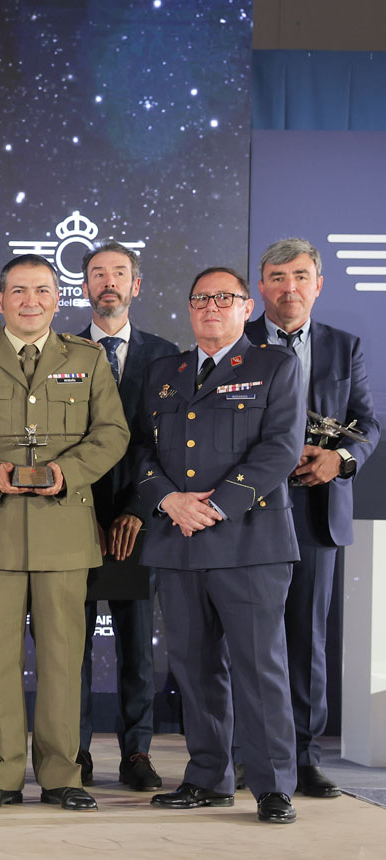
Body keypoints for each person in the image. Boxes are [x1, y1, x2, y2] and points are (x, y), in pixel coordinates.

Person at [0, 254, 127, 810]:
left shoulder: (86, 359)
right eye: (18, 291)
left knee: (64, 657)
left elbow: (113, 432)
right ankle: (3, 773)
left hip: (63, 531)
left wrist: (69, 472)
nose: (30, 301)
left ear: (57, 299)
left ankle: (63, 774)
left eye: (42, 290)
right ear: (0, 300)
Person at [138, 267, 305, 823]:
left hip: (249, 541)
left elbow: (281, 448)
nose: (211, 306)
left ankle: (273, 784)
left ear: (244, 306)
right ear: (189, 308)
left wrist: (214, 505)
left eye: (224, 298)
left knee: (259, 668)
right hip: (178, 541)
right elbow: (141, 452)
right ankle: (209, 776)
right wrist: (168, 501)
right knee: (194, 665)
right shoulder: (166, 372)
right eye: (201, 298)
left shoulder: (274, 365)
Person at [245, 237, 378, 799]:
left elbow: (368, 425)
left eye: (301, 276)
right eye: (278, 277)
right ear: (261, 286)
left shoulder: (344, 347)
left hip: (317, 511)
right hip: (246, 511)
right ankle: (245, 756)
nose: (289, 287)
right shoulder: (234, 339)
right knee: (247, 638)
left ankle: (303, 757)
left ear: (318, 285)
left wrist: (338, 459)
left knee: (305, 639)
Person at [74, 243, 180, 790]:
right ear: (85, 286)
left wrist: (138, 509)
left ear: (136, 285)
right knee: (73, 644)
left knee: (138, 645)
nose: (108, 282)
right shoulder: (63, 351)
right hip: (72, 521)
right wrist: (83, 512)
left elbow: (172, 445)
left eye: (119, 274)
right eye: (97, 274)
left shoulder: (167, 356)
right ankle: (75, 752)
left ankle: (137, 753)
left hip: (143, 523)